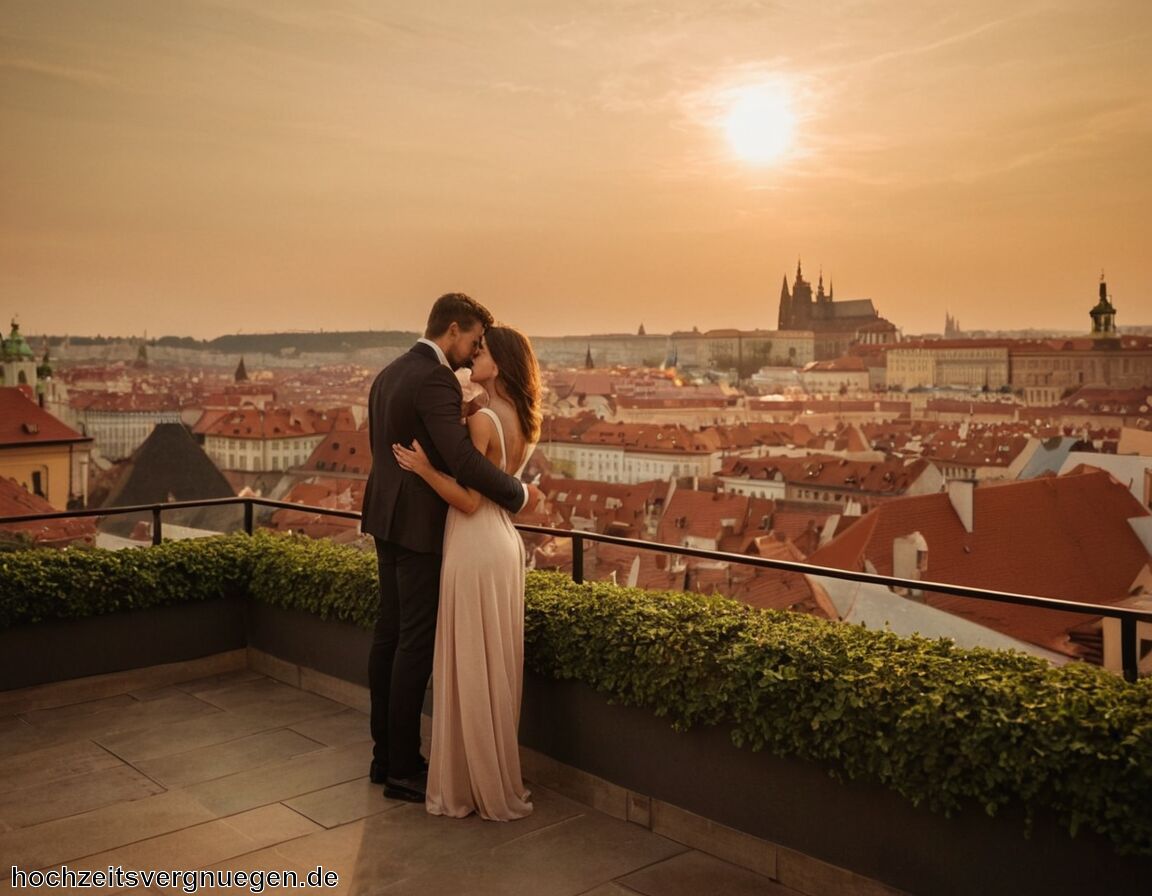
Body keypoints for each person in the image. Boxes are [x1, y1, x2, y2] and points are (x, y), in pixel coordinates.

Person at [361, 294, 536, 803]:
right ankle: (402, 767)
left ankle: (382, 757)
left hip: (385, 519)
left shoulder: (389, 372)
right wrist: (518, 493)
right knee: (414, 644)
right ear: (453, 330)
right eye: (474, 338)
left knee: (388, 637)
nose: (474, 348)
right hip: (419, 526)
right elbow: (462, 458)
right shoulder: (436, 377)